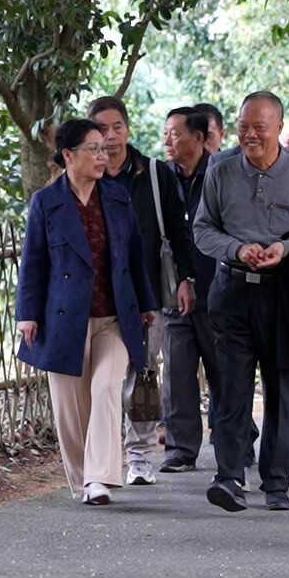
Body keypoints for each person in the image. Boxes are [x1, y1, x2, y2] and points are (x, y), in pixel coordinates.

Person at [191, 91, 289, 512]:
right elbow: (203, 229)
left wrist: (284, 248)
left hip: (286, 296)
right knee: (231, 390)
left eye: (259, 127)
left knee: (283, 388)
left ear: (279, 127)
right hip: (233, 292)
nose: (250, 135)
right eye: (243, 126)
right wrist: (237, 250)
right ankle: (228, 477)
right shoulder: (220, 171)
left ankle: (276, 481)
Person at [16, 119, 160, 504]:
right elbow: (33, 262)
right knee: (71, 406)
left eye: (104, 148)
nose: (103, 154)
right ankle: (83, 481)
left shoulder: (116, 197)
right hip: (64, 317)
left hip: (115, 316)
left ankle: (101, 477)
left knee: (106, 387)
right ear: (68, 155)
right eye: (93, 149)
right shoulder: (46, 202)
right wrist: (26, 313)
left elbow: (134, 256)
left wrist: (147, 304)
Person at [88, 96, 198, 486]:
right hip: (96, 298)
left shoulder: (153, 174)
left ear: (128, 129)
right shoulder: (86, 176)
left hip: (145, 293)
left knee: (143, 375)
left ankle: (139, 455)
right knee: (100, 381)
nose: (111, 136)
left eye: (117, 126)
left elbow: (179, 231)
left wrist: (187, 277)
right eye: (101, 129)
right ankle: (102, 456)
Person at [158, 106, 219, 472]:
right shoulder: (159, 177)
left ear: (199, 138)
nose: (168, 141)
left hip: (217, 292)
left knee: (224, 374)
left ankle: (237, 441)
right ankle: (181, 450)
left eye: (175, 134)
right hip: (173, 293)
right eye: (165, 133)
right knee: (177, 374)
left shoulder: (224, 173)